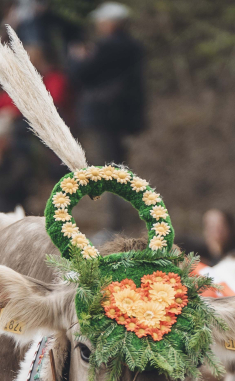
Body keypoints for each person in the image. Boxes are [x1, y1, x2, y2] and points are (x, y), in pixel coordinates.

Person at [68, 2, 145, 230]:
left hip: (103, 115)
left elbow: (80, 74)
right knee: (120, 167)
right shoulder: (134, 46)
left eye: (102, 21)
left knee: (109, 170)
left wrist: (77, 58)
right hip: (123, 116)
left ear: (113, 23)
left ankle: (116, 225)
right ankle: (128, 219)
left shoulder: (107, 48)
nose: (99, 26)